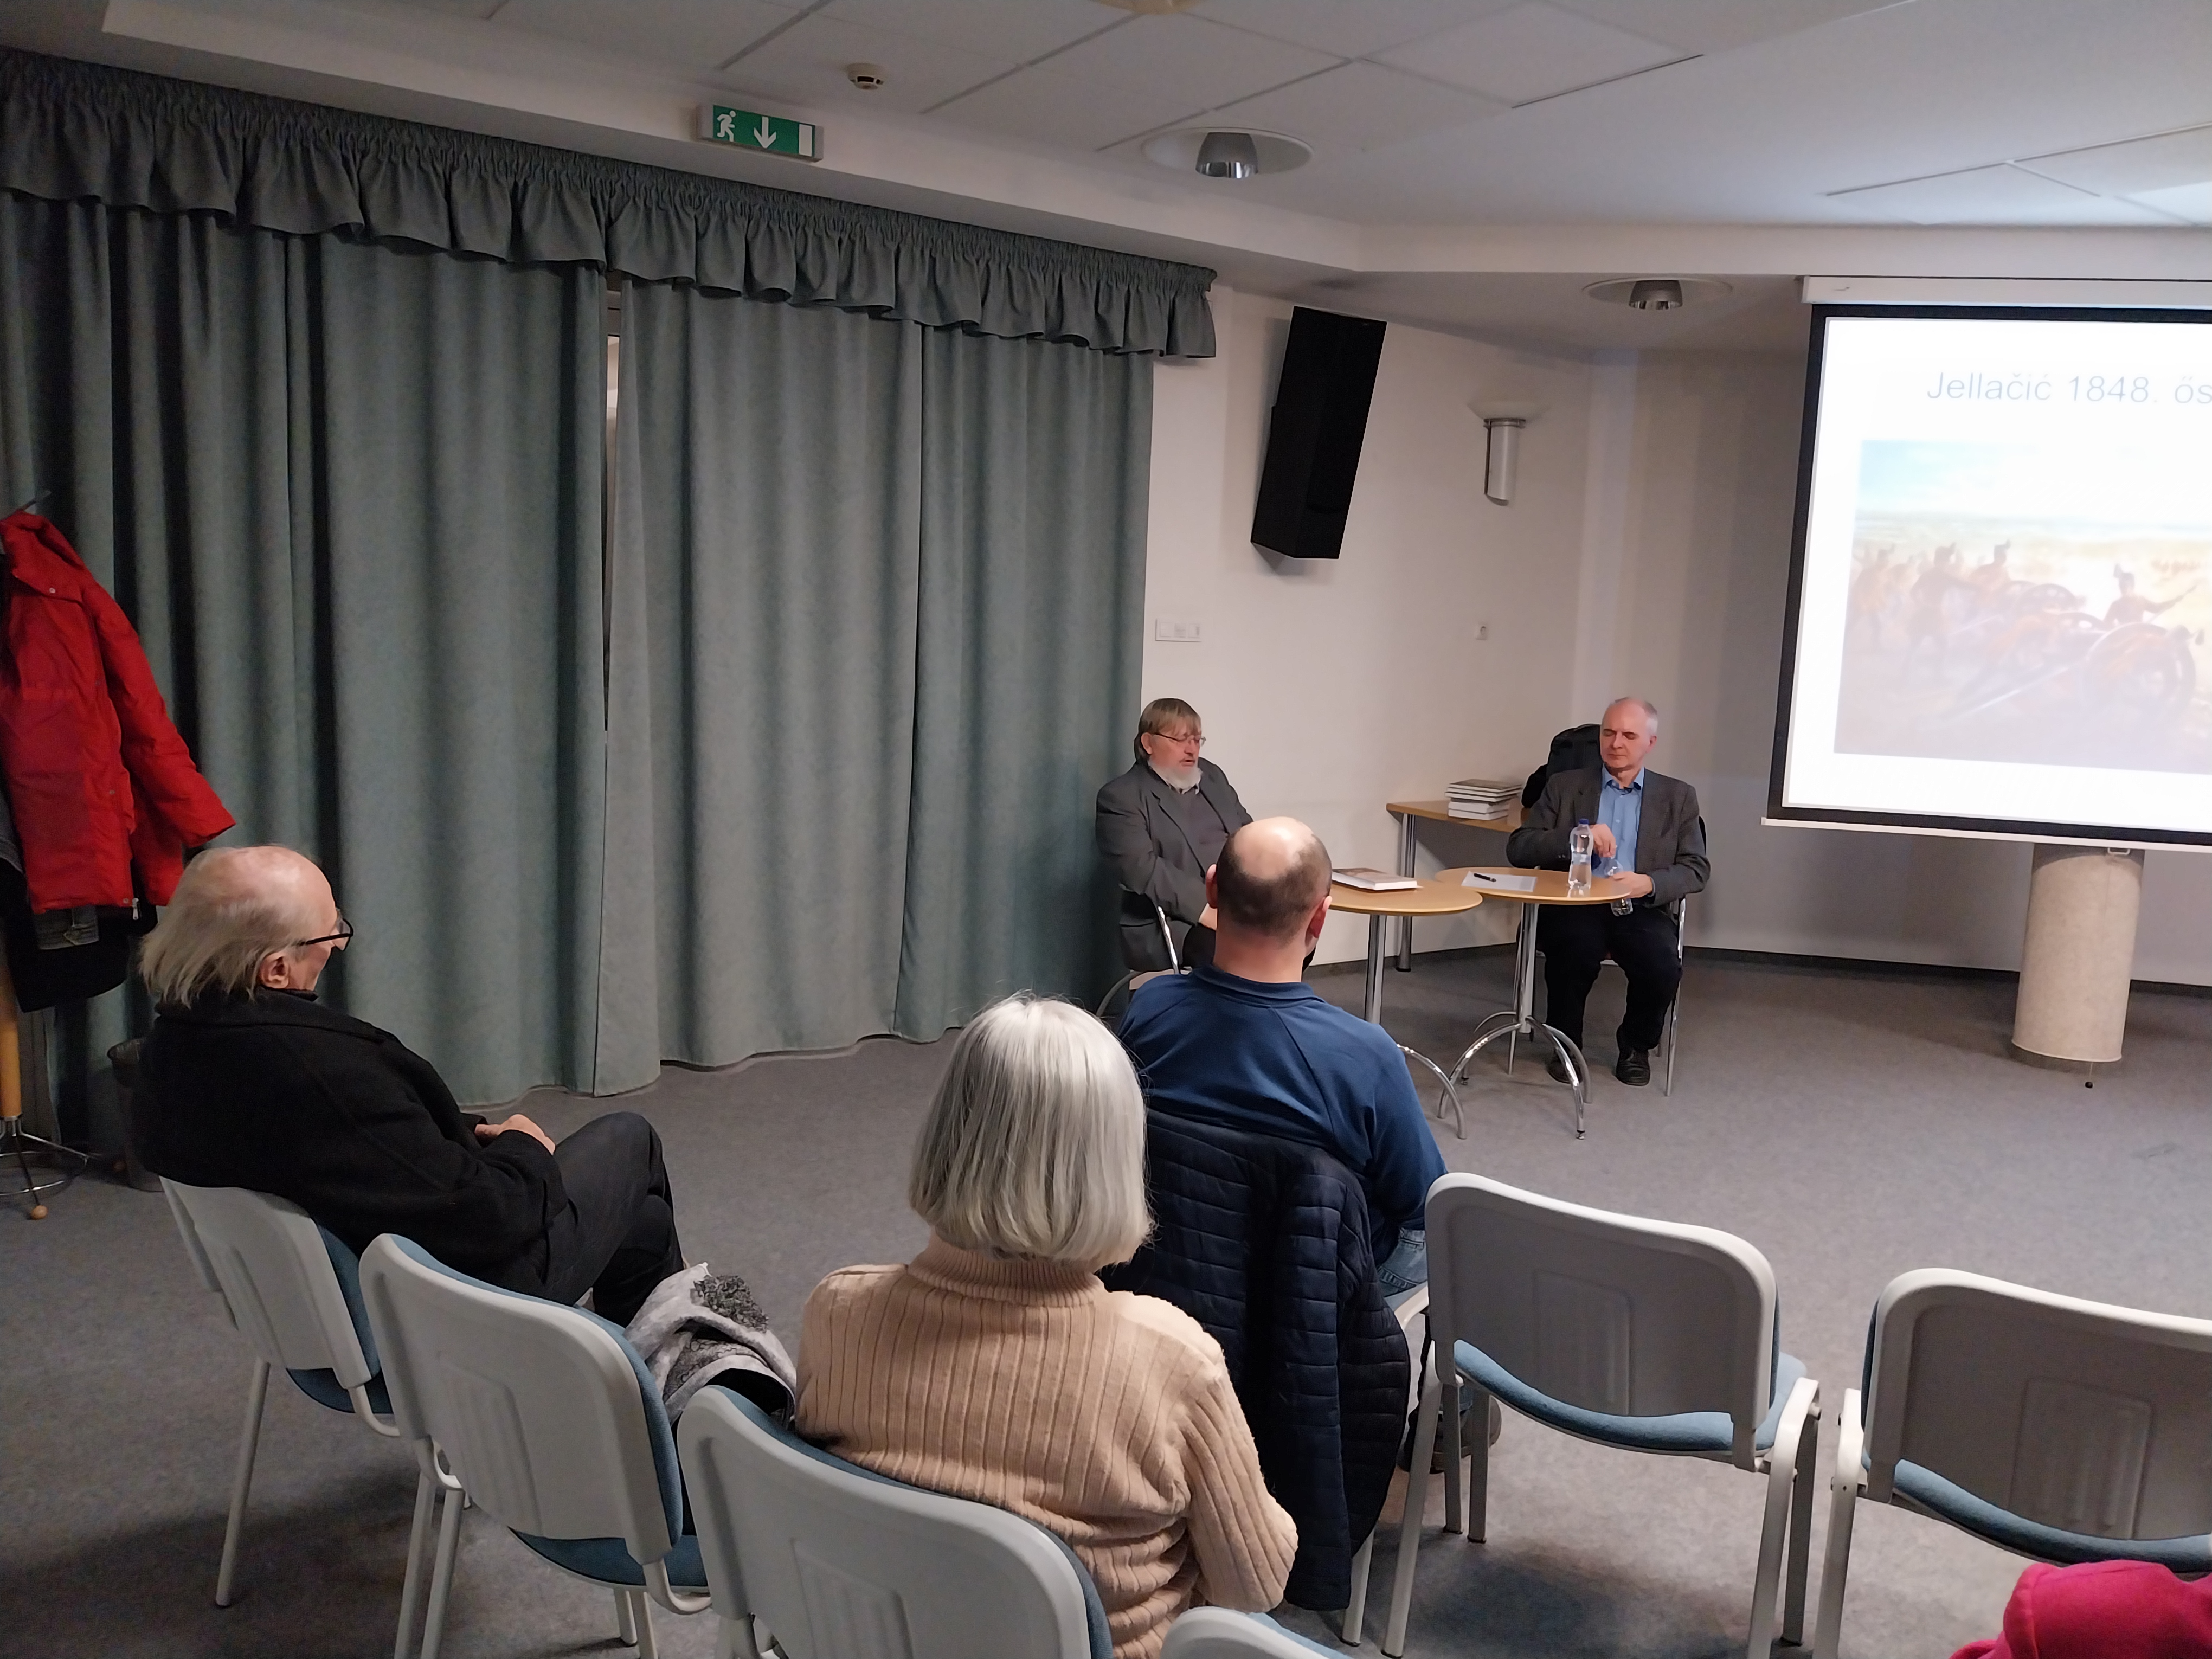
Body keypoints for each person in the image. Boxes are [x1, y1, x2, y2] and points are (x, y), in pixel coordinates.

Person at [796, 994, 1296, 1659]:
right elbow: (1255, 1583)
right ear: (1115, 1161)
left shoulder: (837, 1311)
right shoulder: (1173, 1361)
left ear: (946, 1136)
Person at [132, 845, 683, 1326]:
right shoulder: (320, 1074)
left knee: (644, 1225)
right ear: (276, 970)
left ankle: (645, 1377)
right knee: (630, 1139)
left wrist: (464, 1133)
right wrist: (522, 1146)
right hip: (449, 1302)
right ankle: (671, 1371)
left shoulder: (174, 1046)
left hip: (313, 1303)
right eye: (331, 932)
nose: (337, 945)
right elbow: (486, 1216)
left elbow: (360, 1147)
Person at [1116, 818, 1444, 1290]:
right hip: (1306, 1298)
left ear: (1212, 889)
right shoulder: (1364, 1056)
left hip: (1169, 1269)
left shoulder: (1150, 1008)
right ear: (1321, 917)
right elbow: (1426, 1208)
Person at [1509, 697, 1708, 1088]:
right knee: (1573, 951)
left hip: (1639, 905)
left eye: (1629, 735)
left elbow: (1696, 868)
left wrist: (1649, 883)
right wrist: (1576, 837)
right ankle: (1566, 1045)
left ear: (1650, 742)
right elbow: (1519, 848)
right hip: (1574, 902)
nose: (1616, 743)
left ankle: (1636, 1046)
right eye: (1609, 733)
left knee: (1661, 965)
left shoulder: (1678, 797)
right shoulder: (1564, 786)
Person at [1095, 697, 1252, 973]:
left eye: (1197, 740)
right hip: (1175, 920)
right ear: (1148, 743)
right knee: (1237, 951)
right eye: (1180, 740)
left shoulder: (1212, 776)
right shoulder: (1121, 797)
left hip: (1236, 903)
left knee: (1291, 935)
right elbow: (1141, 870)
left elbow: (1248, 833)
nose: (1191, 749)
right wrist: (1207, 909)